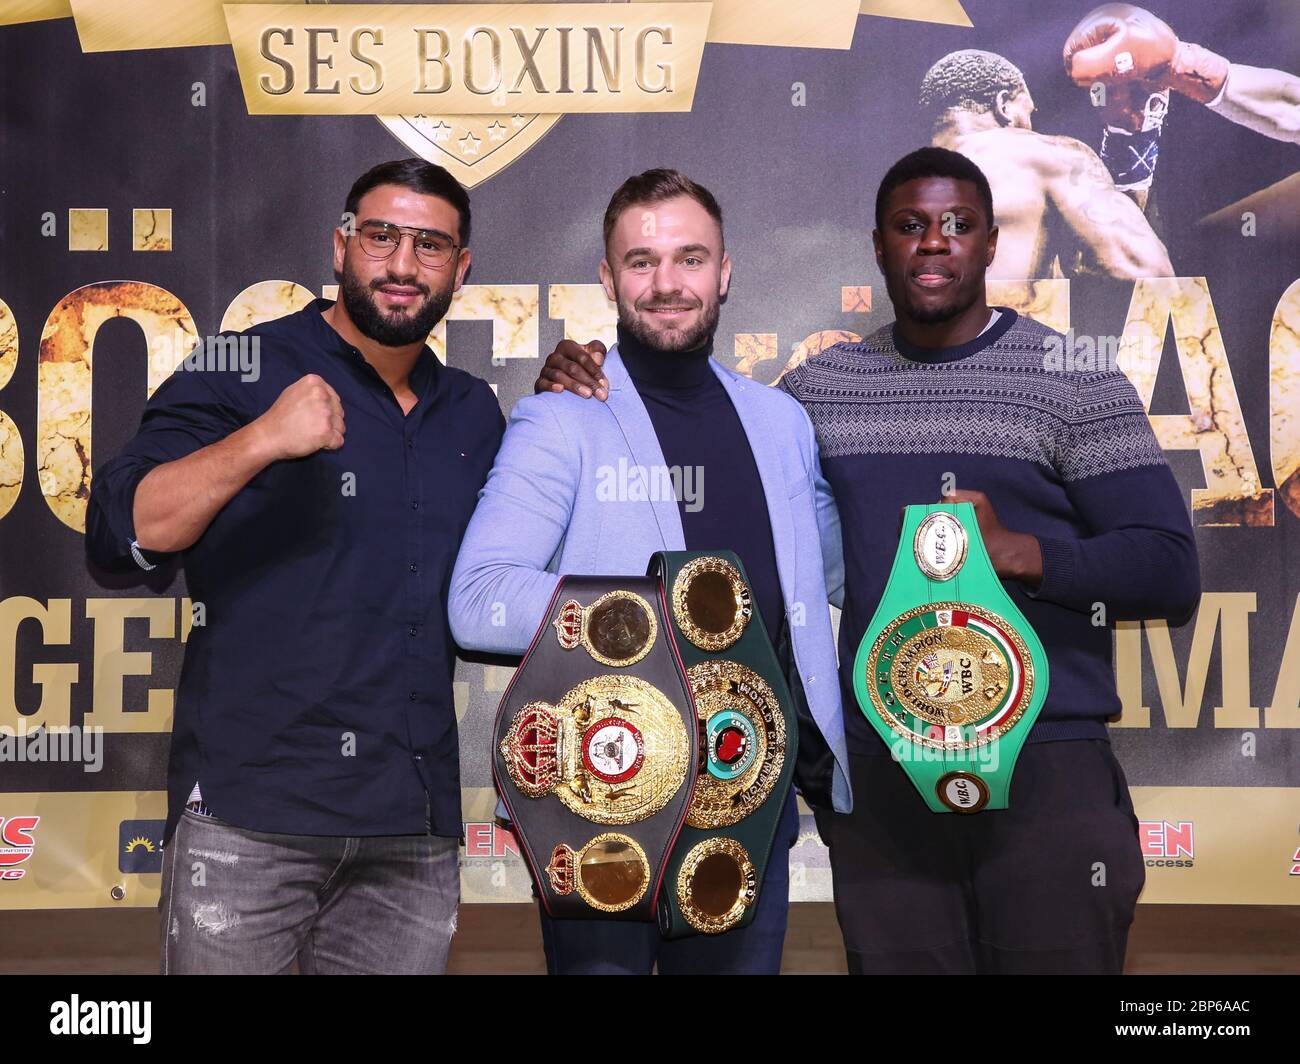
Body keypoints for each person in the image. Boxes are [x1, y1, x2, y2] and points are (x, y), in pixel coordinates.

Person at [534, 148, 1201, 974]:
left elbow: (1170, 572)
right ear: (879, 247)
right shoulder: (816, 393)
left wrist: (1020, 554)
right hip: (884, 775)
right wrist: (578, 375)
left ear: (991, 243)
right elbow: (734, 489)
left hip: (1043, 766)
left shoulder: (1075, 377)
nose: (934, 243)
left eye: (959, 225)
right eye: (911, 226)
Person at [86, 159, 505, 975]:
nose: (401, 264)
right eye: (381, 236)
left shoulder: (473, 411)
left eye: (430, 246)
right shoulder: (241, 367)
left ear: (461, 270)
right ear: (341, 245)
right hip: (250, 822)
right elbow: (120, 531)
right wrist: (262, 440)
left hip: (410, 837)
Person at [448, 169, 851, 975]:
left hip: (748, 801)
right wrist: (657, 622)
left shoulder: (781, 422)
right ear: (607, 278)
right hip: (602, 800)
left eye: (690, 258)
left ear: (726, 272)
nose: (667, 283)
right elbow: (479, 601)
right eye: (641, 261)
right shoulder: (560, 418)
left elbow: (830, 576)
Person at [920, 48, 1172, 278]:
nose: (1031, 128)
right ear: (1003, 105)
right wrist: (1136, 139)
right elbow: (1144, 270)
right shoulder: (1046, 155)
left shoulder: (897, 185)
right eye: (1029, 113)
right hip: (1009, 326)